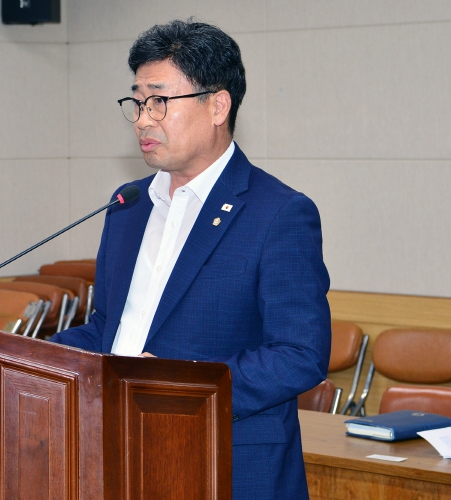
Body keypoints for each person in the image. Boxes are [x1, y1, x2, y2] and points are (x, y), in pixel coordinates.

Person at [51, 19, 331, 499]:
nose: (143, 120)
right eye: (137, 102)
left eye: (159, 101)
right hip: (120, 454)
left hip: (224, 462)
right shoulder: (129, 205)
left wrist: (183, 388)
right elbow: (108, 331)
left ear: (218, 105)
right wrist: (23, 356)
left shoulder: (278, 213)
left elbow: (300, 355)